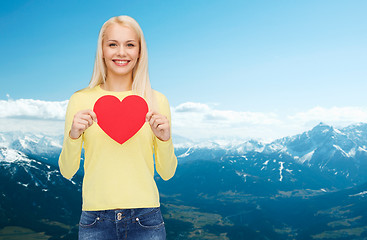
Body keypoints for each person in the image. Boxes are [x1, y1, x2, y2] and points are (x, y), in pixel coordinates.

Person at [58, 15, 177, 240]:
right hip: (94, 220)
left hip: (146, 219)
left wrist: (164, 139)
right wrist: (74, 136)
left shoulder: (157, 100)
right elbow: (67, 170)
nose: (121, 52)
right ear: (102, 50)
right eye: (113, 44)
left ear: (140, 51)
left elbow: (167, 172)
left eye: (130, 45)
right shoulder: (80, 100)